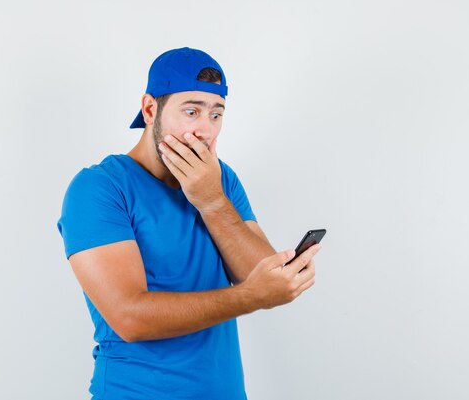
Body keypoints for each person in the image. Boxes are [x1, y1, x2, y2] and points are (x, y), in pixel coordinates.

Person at [56, 47, 320, 400]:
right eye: (192, 111)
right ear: (151, 109)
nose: (205, 130)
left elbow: (261, 276)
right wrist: (248, 296)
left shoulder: (220, 181)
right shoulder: (100, 188)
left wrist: (211, 200)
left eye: (216, 114)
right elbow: (129, 317)